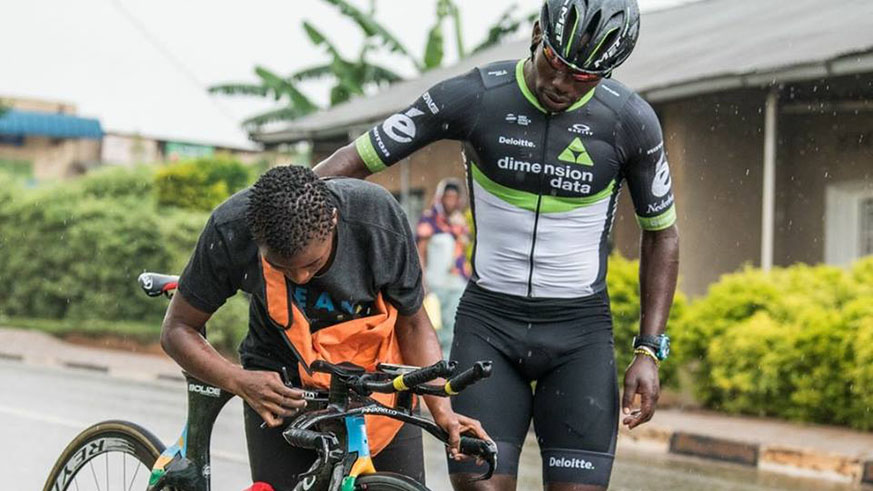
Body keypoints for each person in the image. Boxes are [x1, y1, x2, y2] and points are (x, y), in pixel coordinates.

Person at [312, 0, 680, 488]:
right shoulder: (478, 96)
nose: (561, 85)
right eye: (555, 62)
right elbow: (357, 159)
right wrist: (259, 213)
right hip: (489, 327)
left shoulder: (630, 121)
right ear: (536, 34)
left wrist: (649, 350)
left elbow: (662, 234)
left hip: (580, 338)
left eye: (583, 78)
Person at [160, 165, 487, 490]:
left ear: (332, 221)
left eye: (312, 265)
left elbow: (414, 324)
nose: (300, 278)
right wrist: (239, 380)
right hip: (281, 387)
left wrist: (442, 411)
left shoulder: (376, 219)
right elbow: (177, 330)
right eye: (281, 268)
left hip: (376, 382)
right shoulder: (230, 228)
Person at [416, 178, 471, 352]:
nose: (451, 201)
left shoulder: (460, 222)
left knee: (454, 328)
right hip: (435, 284)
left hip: (457, 283)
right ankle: (434, 368)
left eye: (454, 197)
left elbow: (465, 249)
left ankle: (449, 368)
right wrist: (422, 281)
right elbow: (420, 252)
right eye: (448, 197)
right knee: (435, 330)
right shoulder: (429, 220)